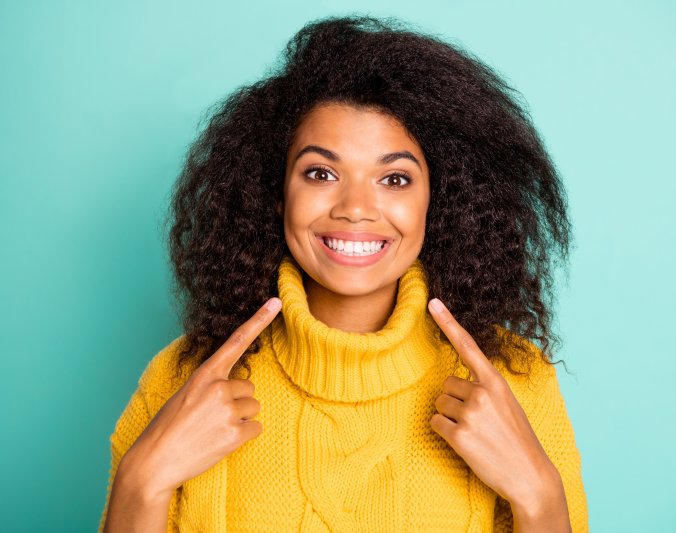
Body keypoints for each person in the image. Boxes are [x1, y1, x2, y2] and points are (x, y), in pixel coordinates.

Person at [99, 14, 588, 533]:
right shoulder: (181, 380)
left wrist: (538, 496)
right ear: (275, 190)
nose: (356, 207)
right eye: (321, 173)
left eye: (395, 178)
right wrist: (142, 480)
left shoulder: (516, 384)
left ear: (441, 202)